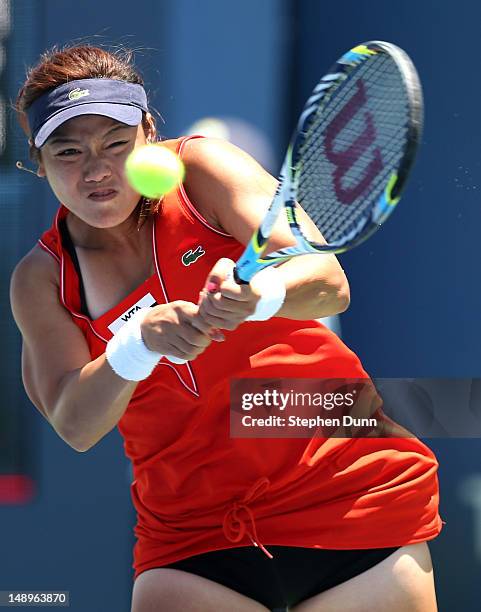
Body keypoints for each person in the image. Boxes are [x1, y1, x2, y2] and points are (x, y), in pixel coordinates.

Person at [10, 43, 443, 612]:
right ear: (39, 163)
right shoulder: (40, 278)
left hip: (348, 484)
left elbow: (328, 281)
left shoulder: (203, 172)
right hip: (192, 534)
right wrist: (136, 345)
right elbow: (75, 422)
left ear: (147, 132)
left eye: (115, 144)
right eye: (67, 152)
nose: (95, 171)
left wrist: (258, 296)